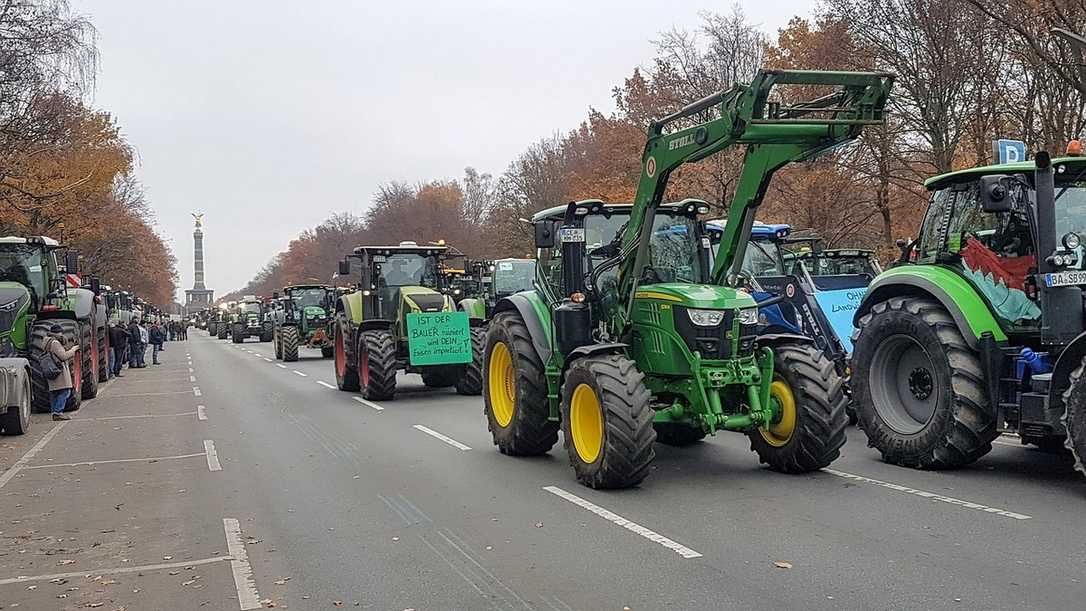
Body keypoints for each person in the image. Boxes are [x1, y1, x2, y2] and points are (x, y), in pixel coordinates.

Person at [45, 324, 79, 421]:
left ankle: (54, 411)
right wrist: (73, 350)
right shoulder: (55, 342)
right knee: (65, 391)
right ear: (58, 332)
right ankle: (58, 412)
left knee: (54, 391)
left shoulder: (47, 341)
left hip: (51, 368)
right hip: (59, 370)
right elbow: (63, 356)